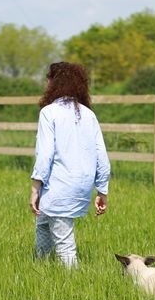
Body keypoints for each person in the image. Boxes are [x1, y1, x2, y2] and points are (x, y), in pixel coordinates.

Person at [29, 62, 111, 268]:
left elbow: (45, 154)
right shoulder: (89, 114)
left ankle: (74, 286)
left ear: (53, 83)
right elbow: (101, 155)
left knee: (65, 244)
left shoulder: (49, 112)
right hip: (80, 185)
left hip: (59, 185)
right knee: (43, 225)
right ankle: (41, 269)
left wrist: (35, 188)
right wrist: (102, 191)